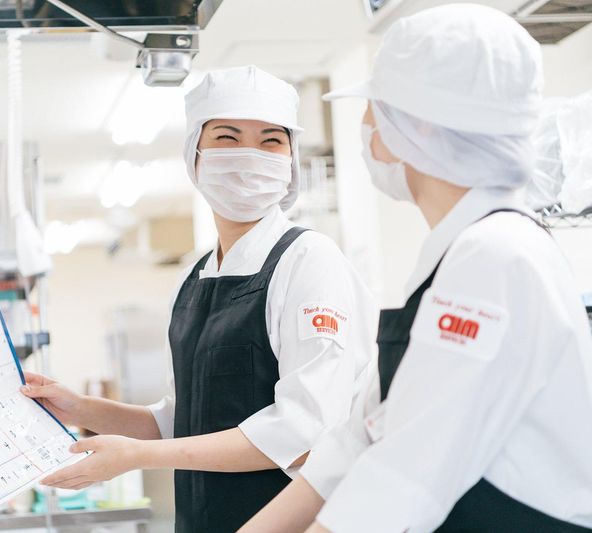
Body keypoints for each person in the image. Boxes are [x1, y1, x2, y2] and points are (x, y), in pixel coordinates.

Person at [239, 4, 592, 533]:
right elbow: (357, 442)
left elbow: (401, 479)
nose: (365, 127)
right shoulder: (466, 252)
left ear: (417, 126)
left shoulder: (495, 259)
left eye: (373, 109)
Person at [21, 65, 378, 533]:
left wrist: (139, 457)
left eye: (271, 140)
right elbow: (185, 420)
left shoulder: (309, 260)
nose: (249, 155)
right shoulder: (196, 276)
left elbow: (306, 433)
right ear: (195, 153)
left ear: (290, 158)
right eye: (228, 137)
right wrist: (81, 409)